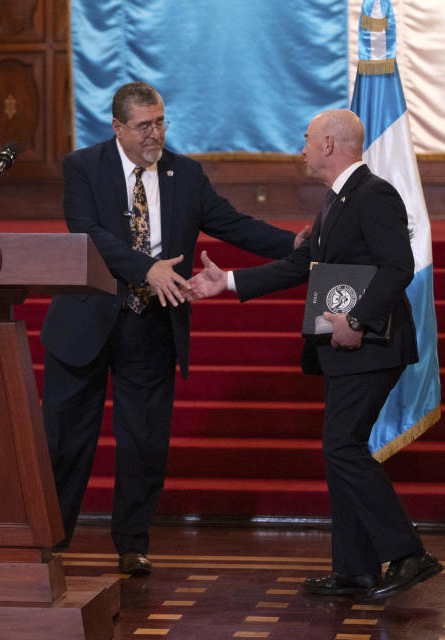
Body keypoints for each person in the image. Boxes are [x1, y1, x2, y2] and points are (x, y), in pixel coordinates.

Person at [40, 81, 308, 575]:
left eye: (161, 122)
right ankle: (49, 543)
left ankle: (132, 544)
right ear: (117, 127)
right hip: (87, 323)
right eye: (144, 126)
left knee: (144, 441)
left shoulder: (184, 173)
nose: (155, 134)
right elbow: (88, 234)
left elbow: (232, 223)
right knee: (65, 442)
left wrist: (294, 245)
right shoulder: (83, 167)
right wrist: (147, 267)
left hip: (151, 327)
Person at [187, 109, 442, 599]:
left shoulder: (374, 193)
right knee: (339, 449)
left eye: (306, 140)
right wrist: (230, 282)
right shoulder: (337, 200)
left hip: (372, 346)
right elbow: (302, 264)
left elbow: (398, 266)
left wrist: (358, 318)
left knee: (342, 447)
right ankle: (356, 570)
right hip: (346, 349)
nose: (300, 148)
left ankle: (409, 554)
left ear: (328, 144)